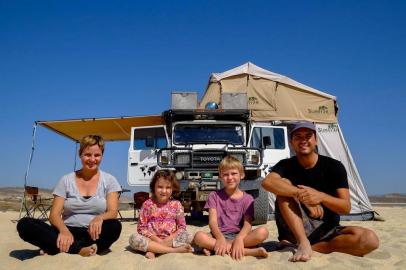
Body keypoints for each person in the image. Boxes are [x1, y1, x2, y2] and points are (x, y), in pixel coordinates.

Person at [261, 121, 379, 262]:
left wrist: (320, 197)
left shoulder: (334, 166)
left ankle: (314, 247)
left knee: (369, 240)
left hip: (326, 229)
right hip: (295, 228)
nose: (303, 140)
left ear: (316, 140)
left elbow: (345, 207)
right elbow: (267, 182)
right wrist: (301, 195)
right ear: (292, 142)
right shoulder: (285, 165)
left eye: (308, 136)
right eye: (298, 137)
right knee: (283, 183)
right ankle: (303, 242)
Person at [17, 135, 122, 256]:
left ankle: (58, 247)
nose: (92, 159)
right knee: (24, 224)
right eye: (88, 154)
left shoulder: (109, 180)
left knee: (115, 226)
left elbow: (113, 212)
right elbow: (54, 215)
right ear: (80, 154)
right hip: (67, 231)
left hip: (93, 233)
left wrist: (99, 218)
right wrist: (63, 230)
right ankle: (80, 249)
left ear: (102, 156)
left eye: (97, 155)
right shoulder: (66, 180)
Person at [193, 156, 269, 260]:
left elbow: (247, 224)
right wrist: (220, 238)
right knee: (199, 237)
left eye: (233, 173)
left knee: (263, 232)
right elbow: (213, 222)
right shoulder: (214, 196)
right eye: (225, 174)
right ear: (220, 176)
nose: (229, 177)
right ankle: (248, 251)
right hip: (217, 235)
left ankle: (219, 248)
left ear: (241, 175)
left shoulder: (248, 198)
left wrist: (239, 239)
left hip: (239, 235)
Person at [128, 170, 194, 259]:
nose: (164, 191)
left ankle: (154, 250)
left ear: (173, 188)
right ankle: (172, 250)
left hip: (170, 240)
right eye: (160, 187)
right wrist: (157, 239)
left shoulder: (176, 204)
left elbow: (182, 227)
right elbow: (141, 228)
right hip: (152, 240)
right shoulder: (147, 204)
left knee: (188, 236)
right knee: (133, 238)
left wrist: (167, 240)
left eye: (168, 187)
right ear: (153, 187)